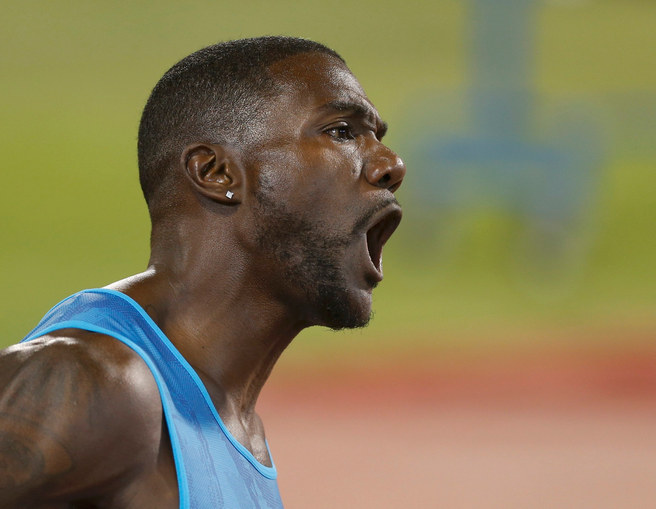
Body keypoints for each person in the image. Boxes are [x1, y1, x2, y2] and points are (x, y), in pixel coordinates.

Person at [0, 36, 405, 508]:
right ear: (216, 172)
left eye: (378, 136)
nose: (391, 164)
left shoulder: (235, 427)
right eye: (341, 131)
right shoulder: (92, 384)